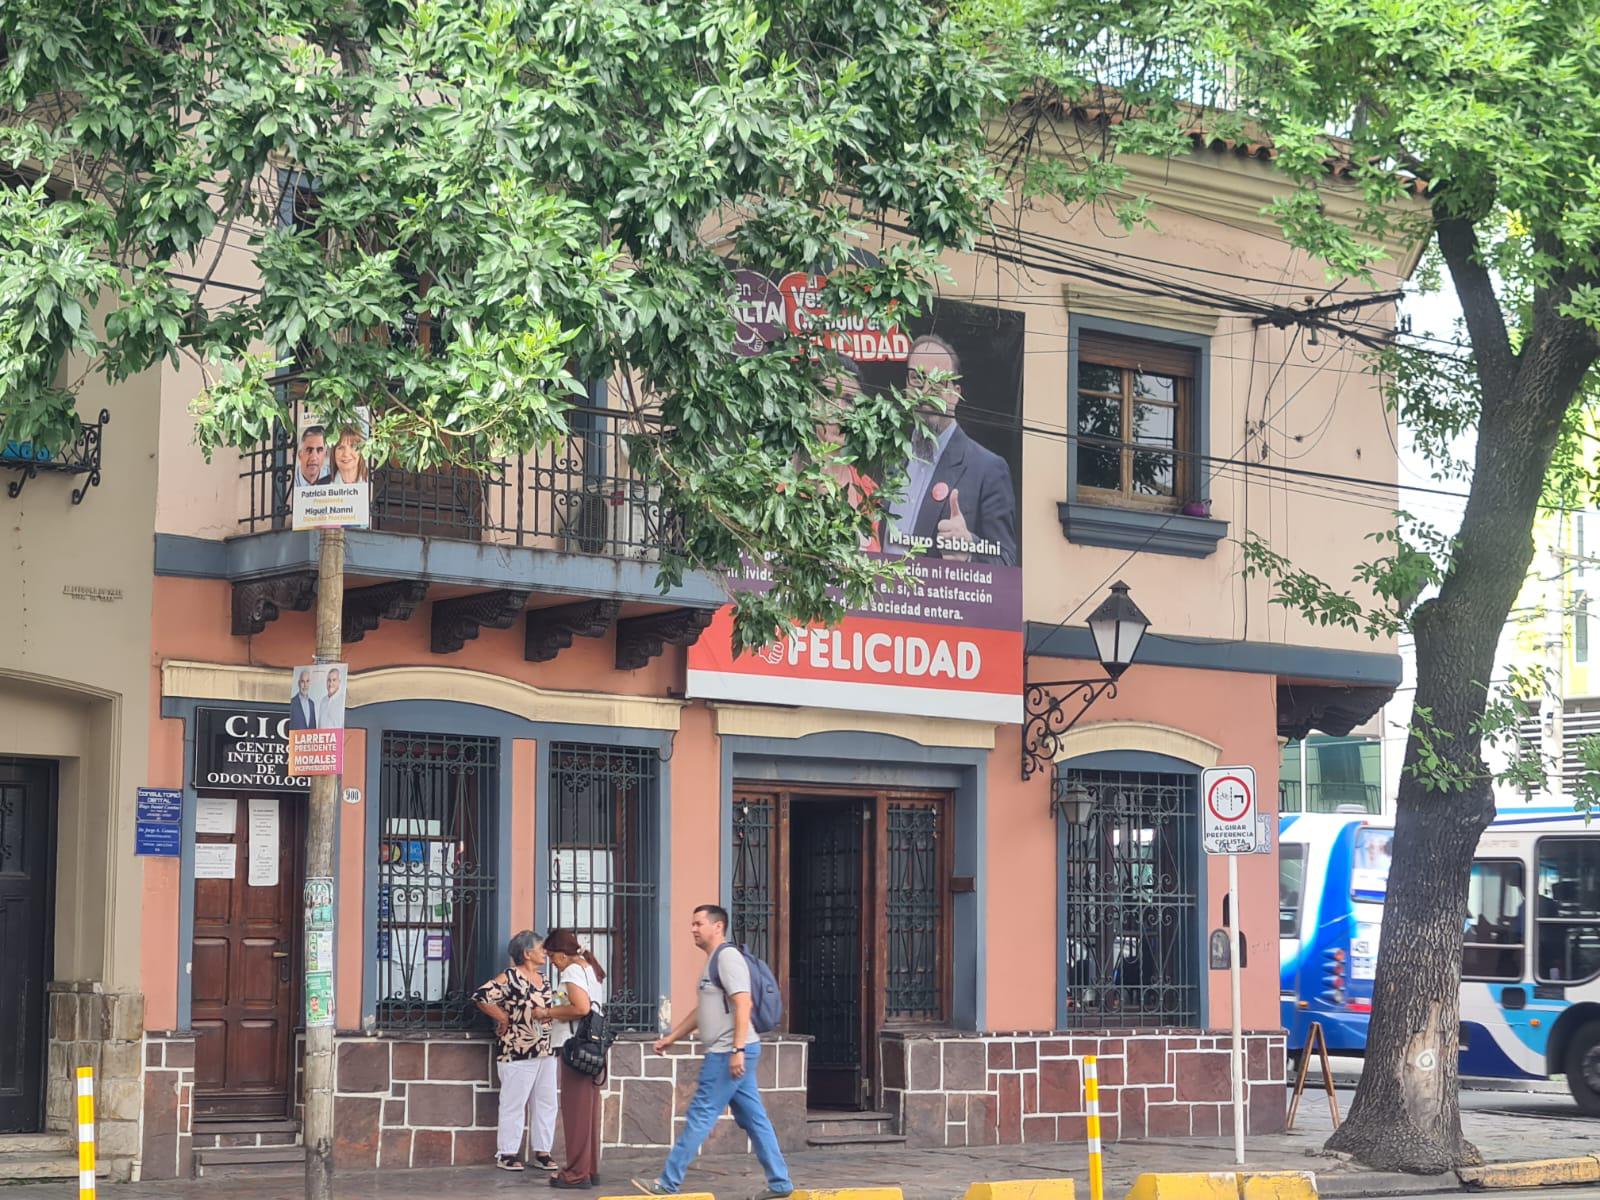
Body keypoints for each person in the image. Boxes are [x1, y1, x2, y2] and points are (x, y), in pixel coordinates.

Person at [634, 905, 793, 1200]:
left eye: (698, 923)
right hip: (729, 1049)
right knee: (754, 1119)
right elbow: (703, 1010)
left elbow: (744, 1004)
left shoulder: (727, 958)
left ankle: (667, 1183)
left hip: (727, 1051)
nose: (693, 929)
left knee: (701, 1114)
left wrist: (738, 1049)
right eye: (692, 924)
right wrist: (672, 1037)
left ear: (718, 927)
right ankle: (780, 1183)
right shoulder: (712, 962)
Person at [882, 334, 1017, 566]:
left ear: (955, 393)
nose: (926, 390)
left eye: (938, 381)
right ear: (906, 387)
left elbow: (1006, 561)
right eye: (917, 378)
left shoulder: (988, 469)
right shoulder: (887, 458)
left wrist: (969, 550)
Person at [474, 931, 560, 1172]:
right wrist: (503, 1018)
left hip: (545, 1048)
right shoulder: (510, 977)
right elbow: (481, 996)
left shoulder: (544, 979)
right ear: (527, 953)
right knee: (514, 1102)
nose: (544, 952)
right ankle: (507, 1153)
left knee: (547, 1101)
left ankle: (542, 1151)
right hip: (517, 1049)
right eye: (540, 948)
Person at [534, 928, 607, 1189]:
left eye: (552, 956)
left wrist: (547, 1011)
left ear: (563, 955)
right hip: (592, 1046)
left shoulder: (572, 971)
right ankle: (589, 1170)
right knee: (587, 1112)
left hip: (575, 1046)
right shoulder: (590, 969)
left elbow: (581, 1008)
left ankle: (576, 1173)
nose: (551, 962)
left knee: (576, 1112)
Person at [815, 355, 880, 552]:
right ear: (808, 403)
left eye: (849, 401)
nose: (839, 410)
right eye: (827, 396)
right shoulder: (781, 482)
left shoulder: (870, 492)